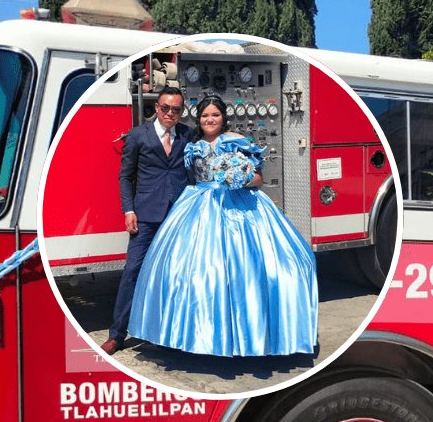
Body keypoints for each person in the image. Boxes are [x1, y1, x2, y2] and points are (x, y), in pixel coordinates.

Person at [126, 95, 318, 357]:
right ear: (198, 119)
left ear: (223, 117)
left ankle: (248, 335)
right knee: (189, 271)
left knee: (251, 270)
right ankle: (189, 335)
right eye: (205, 116)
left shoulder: (235, 140)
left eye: (214, 115)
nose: (209, 120)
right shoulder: (192, 144)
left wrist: (239, 178)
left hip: (237, 207)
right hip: (198, 206)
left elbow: (259, 179)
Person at [101, 87, 191, 355]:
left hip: (178, 216)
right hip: (146, 216)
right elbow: (125, 177)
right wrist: (128, 210)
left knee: (176, 275)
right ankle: (117, 334)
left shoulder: (187, 134)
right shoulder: (138, 136)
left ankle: (170, 335)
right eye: (165, 108)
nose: (170, 113)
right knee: (132, 272)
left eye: (176, 109)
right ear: (156, 107)